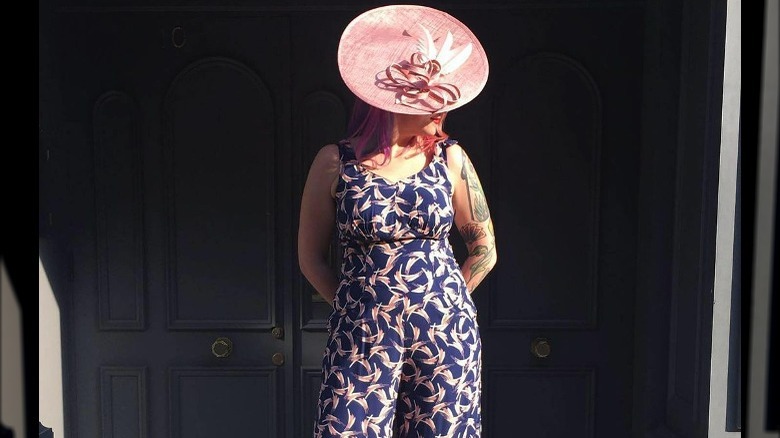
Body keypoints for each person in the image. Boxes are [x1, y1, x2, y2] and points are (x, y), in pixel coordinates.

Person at [298, 5, 496, 437]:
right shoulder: (336, 163)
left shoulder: (450, 159)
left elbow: (484, 248)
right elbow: (310, 258)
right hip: (362, 334)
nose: (443, 108)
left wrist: (444, 302)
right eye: (435, 99)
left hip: (444, 333)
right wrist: (357, 306)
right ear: (393, 102)